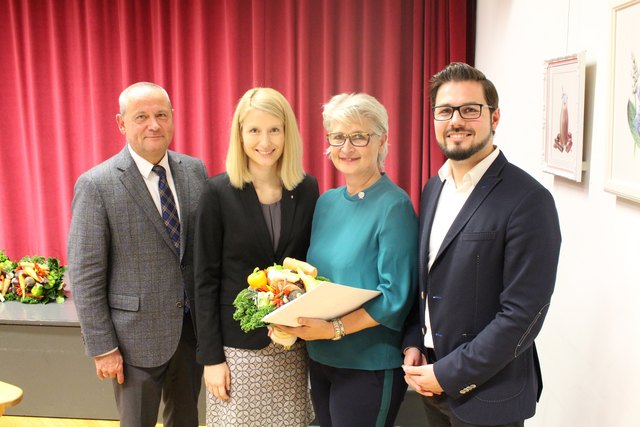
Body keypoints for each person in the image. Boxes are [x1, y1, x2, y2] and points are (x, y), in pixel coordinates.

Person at [402, 62, 562, 426]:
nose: (456, 120)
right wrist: (414, 342)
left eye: (470, 109)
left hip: (488, 393)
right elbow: (427, 281)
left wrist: (450, 373)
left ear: (495, 117)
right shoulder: (433, 188)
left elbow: (523, 315)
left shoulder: (528, 200)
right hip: (432, 379)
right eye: (445, 111)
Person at [67, 82, 208, 426]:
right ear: (121, 123)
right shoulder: (97, 184)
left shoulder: (195, 172)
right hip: (133, 344)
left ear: (173, 118)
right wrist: (102, 347)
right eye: (141, 116)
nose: (154, 125)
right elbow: (85, 275)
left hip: (191, 336)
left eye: (161, 115)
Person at [276, 93, 418, 427]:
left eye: (359, 136)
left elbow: (395, 297)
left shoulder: (395, 207)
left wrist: (333, 329)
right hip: (321, 357)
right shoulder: (326, 203)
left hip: (368, 363)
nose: (347, 148)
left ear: (382, 140)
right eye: (338, 137)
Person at [193, 87, 318, 427]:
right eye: (254, 130)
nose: (265, 141)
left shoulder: (307, 189)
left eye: (274, 129)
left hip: (292, 348)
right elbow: (203, 282)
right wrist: (211, 359)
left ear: (287, 133)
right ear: (240, 134)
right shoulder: (217, 193)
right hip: (237, 351)